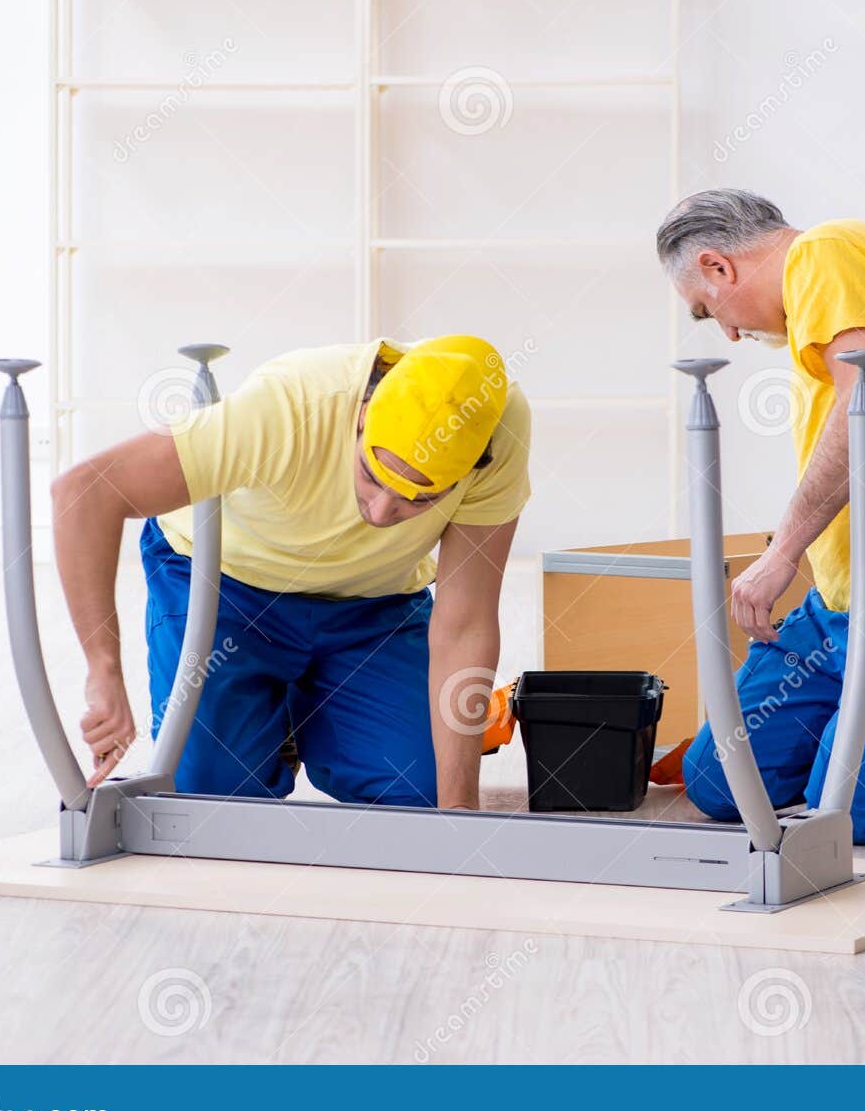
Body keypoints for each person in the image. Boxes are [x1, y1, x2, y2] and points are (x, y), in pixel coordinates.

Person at [50, 335, 530, 811]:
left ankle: (300, 707)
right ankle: (269, 714)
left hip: (373, 605)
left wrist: (460, 815)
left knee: (423, 791)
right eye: (371, 474)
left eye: (418, 499)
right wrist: (103, 670)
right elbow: (84, 492)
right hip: (228, 588)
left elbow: (465, 620)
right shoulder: (292, 405)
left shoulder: (494, 430)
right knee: (211, 803)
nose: (382, 512)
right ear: (362, 417)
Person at [654, 189, 865, 842]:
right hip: (838, 608)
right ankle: (863, 722)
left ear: (720, 266)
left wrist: (782, 550)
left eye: (708, 310)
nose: (728, 333)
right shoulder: (817, 303)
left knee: (848, 812)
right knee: (716, 783)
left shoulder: (825, 250)